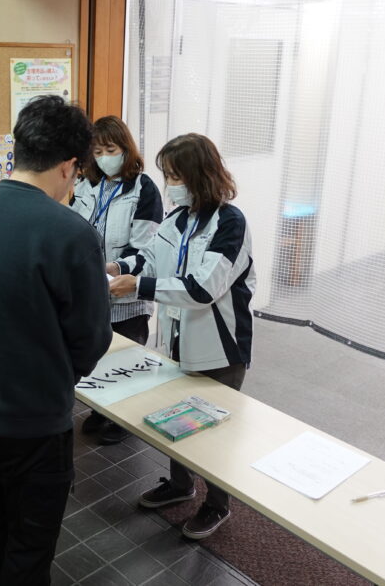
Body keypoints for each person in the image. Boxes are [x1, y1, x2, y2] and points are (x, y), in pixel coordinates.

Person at [0, 95, 113, 586]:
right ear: (69, 166)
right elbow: (92, 338)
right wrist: (56, 371)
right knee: (29, 545)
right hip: (33, 420)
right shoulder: (72, 234)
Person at [109, 133, 255, 540]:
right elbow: (150, 259)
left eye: (176, 176)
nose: (171, 185)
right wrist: (117, 267)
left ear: (200, 175)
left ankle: (217, 504)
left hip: (221, 348)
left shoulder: (230, 223)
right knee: (177, 416)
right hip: (176, 340)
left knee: (214, 433)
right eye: (168, 176)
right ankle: (180, 485)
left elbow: (203, 289)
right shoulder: (177, 220)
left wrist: (138, 286)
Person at [70, 115, 163, 445]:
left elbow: (146, 248)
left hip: (127, 293)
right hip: (92, 291)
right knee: (99, 356)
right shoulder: (85, 185)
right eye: (97, 151)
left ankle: (123, 419)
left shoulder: (144, 189)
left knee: (127, 358)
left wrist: (115, 267)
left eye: (110, 149)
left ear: (125, 148)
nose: (104, 157)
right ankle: (102, 411)